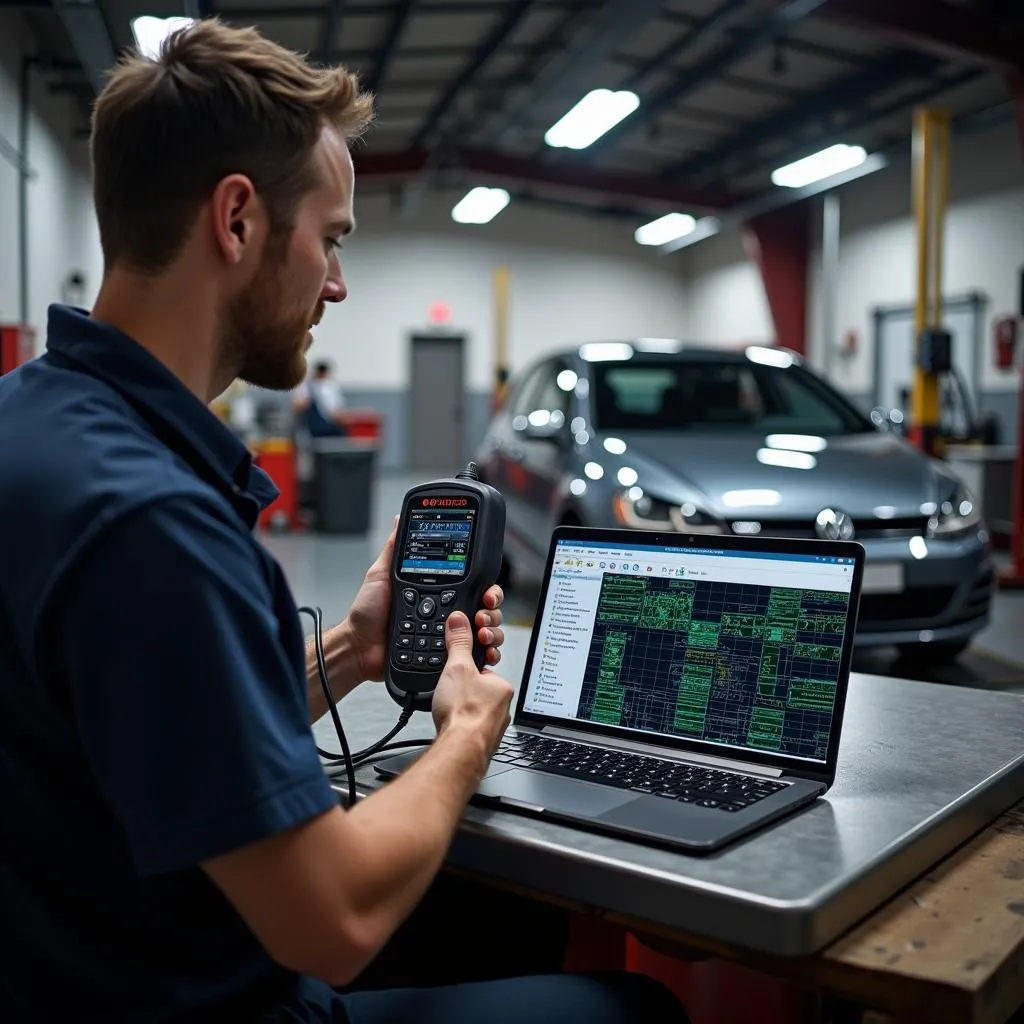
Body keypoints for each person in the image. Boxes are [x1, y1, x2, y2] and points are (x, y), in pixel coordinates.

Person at [0, 19, 689, 1024]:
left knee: (511, 929)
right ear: (236, 219)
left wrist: (353, 652)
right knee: (632, 1011)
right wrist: (465, 733)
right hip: (190, 996)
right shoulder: (156, 521)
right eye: (329, 238)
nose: (336, 282)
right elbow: (332, 921)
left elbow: (160, 725)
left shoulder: (31, 421)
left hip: (77, 957)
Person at [294, 359, 349, 437]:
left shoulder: (331, 387)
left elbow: (338, 410)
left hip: (332, 422)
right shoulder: (307, 387)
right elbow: (296, 407)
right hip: (316, 424)